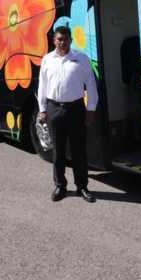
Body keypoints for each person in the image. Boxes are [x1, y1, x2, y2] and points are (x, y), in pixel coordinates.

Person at [38, 26, 99, 203]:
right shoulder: (47, 59)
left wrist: (91, 109)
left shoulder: (81, 58)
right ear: (54, 41)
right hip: (54, 109)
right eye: (59, 39)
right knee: (58, 151)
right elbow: (42, 85)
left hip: (76, 109)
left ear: (70, 40)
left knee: (78, 150)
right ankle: (60, 186)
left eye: (65, 39)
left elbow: (91, 85)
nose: (62, 42)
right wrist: (42, 109)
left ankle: (82, 187)